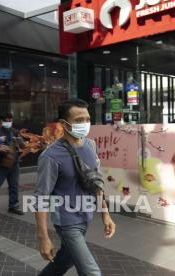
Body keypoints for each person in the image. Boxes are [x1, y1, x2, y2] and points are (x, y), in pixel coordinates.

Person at [35, 99, 116, 276]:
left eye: (87, 119)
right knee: (91, 272)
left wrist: (105, 214)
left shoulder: (90, 145)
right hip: (66, 221)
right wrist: (43, 237)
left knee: (64, 261)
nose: (86, 124)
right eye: (79, 120)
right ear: (64, 124)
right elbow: (41, 197)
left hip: (86, 215)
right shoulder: (50, 156)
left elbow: (96, 182)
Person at [0, 113, 25, 215]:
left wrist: (19, 140)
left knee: (14, 185)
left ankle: (13, 206)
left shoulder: (15, 131)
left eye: (10, 120)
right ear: (1, 121)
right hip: (1, 164)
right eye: (6, 120)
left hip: (14, 163)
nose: (8, 122)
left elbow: (23, 146)